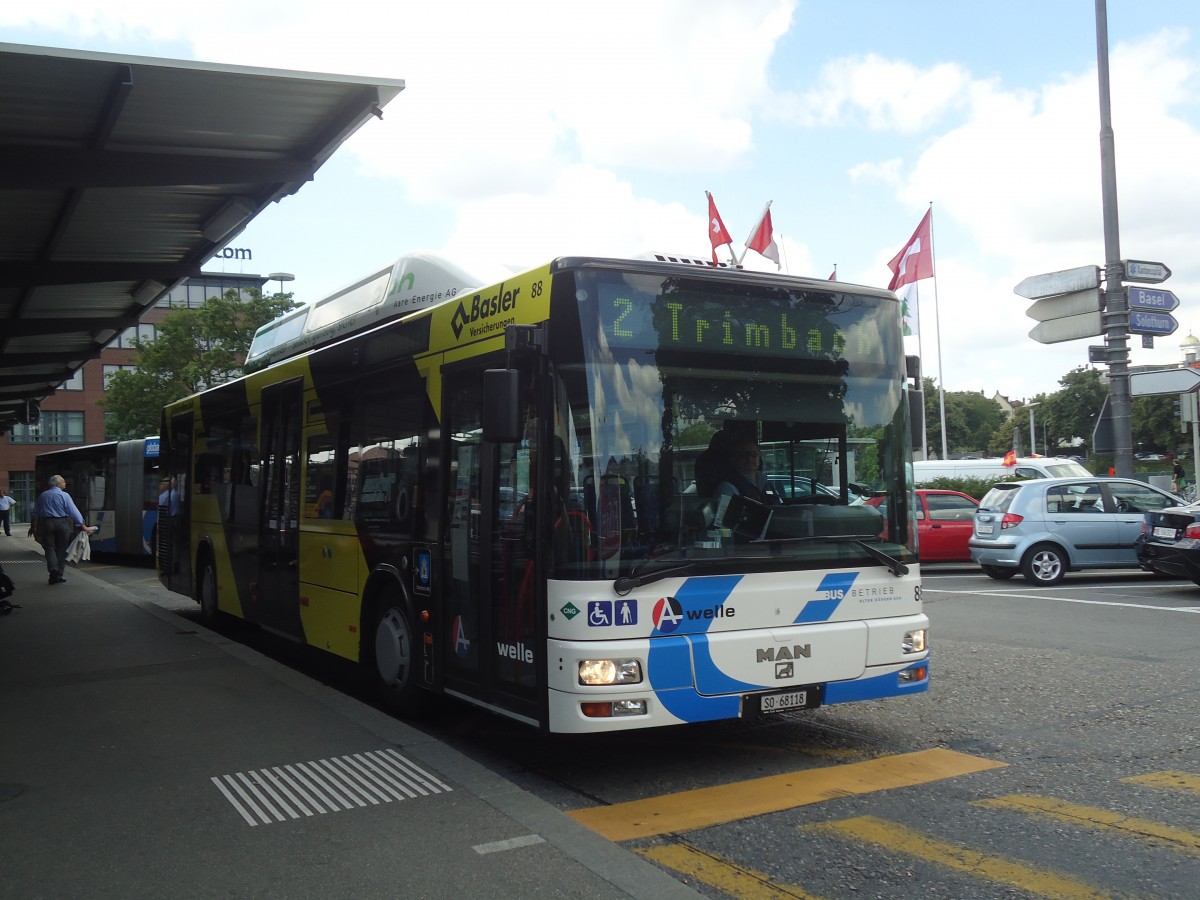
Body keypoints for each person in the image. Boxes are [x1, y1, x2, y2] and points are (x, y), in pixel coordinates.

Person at [28, 474, 95, 585]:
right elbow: (73, 511)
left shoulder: (43, 495)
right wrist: (82, 526)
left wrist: (33, 527)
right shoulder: (64, 495)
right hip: (62, 523)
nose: (65, 483)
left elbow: (35, 513)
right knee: (61, 549)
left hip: (46, 523)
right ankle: (59, 574)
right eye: (63, 482)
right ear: (58, 484)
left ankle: (52, 570)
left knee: (49, 547)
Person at [714, 438, 782, 506]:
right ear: (733, 459)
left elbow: (780, 505)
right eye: (743, 455)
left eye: (754, 454)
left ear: (759, 459)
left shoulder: (767, 483)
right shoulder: (727, 487)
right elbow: (725, 515)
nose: (750, 458)